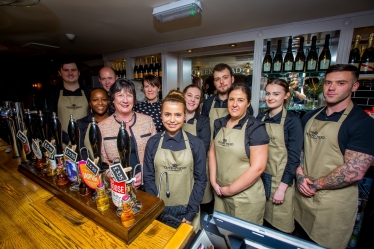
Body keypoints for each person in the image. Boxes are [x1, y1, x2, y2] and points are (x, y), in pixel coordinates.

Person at [294, 64, 374, 249]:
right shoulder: (310, 116)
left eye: (340, 83)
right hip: (302, 197)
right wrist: (300, 175)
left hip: (332, 206)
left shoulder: (362, 124)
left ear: (354, 86)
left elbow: (354, 171)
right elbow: (301, 153)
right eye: (328, 82)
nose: (331, 88)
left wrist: (316, 184)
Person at [143, 90, 207, 231]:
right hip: (160, 209)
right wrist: (155, 209)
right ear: (161, 115)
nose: (172, 120)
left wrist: (191, 213)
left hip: (188, 211)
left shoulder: (196, 143)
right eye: (167, 114)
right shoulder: (153, 143)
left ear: (184, 116)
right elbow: (148, 178)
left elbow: (201, 180)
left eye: (178, 115)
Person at [209, 83, 269, 225]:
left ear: (248, 103)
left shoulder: (255, 128)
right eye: (231, 99)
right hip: (220, 192)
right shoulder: (219, 123)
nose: (235, 104)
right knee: (221, 237)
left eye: (240, 100)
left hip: (245, 198)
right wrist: (213, 182)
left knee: (242, 242)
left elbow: (258, 168)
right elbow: (212, 153)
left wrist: (229, 190)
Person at [256, 79, 303, 233]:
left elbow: (294, 158)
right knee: (260, 224)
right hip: (260, 179)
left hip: (280, 181)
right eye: (268, 93)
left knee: (279, 228)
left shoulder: (292, 121)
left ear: (286, 96)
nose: (270, 98)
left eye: (276, 94)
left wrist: (282, 189)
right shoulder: (260, 118)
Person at [98, 78, 156, 188]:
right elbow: (102, 163)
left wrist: (145, 173)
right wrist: (116, 177)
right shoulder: (102, 127)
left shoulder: (147, 121)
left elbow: (156, 153)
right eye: (120, 95)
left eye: (129, 95)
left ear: (134, 99)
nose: (125, 100)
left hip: (148, 183)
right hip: (117, 187)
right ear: (113, 99)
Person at [201, 63, 253, 140]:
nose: (221, 82)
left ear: (232, 79)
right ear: (214, 83)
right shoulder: (208, 103)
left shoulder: (241, 104)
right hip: (212, 148)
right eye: (217, 79)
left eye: (225, 77)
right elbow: (204, 131)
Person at [182, 85, 212, 213]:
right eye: (189, 95)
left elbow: (203, 149)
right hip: (178, 170)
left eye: (197, 97)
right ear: (182, 96)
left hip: (197, 169)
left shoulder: (203, 121)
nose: (192, 100)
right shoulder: (174, 118)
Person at [47, 57, 90, 146]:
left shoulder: (88, 92)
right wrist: (66, 138)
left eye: (73, 70)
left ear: (79, 72)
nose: (70, 73)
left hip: (85, 140)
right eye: (66, 70)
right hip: (63, 141)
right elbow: (51, 120)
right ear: (59, 73)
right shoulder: (54, 93)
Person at [77, 88, 110, 160]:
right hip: (90, 167)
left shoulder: (117, 121)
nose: (100, 103)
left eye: (104, 99)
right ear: (90, 103)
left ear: (108, 102)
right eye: (95, 100)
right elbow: (81, 151)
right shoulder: (82, 123)